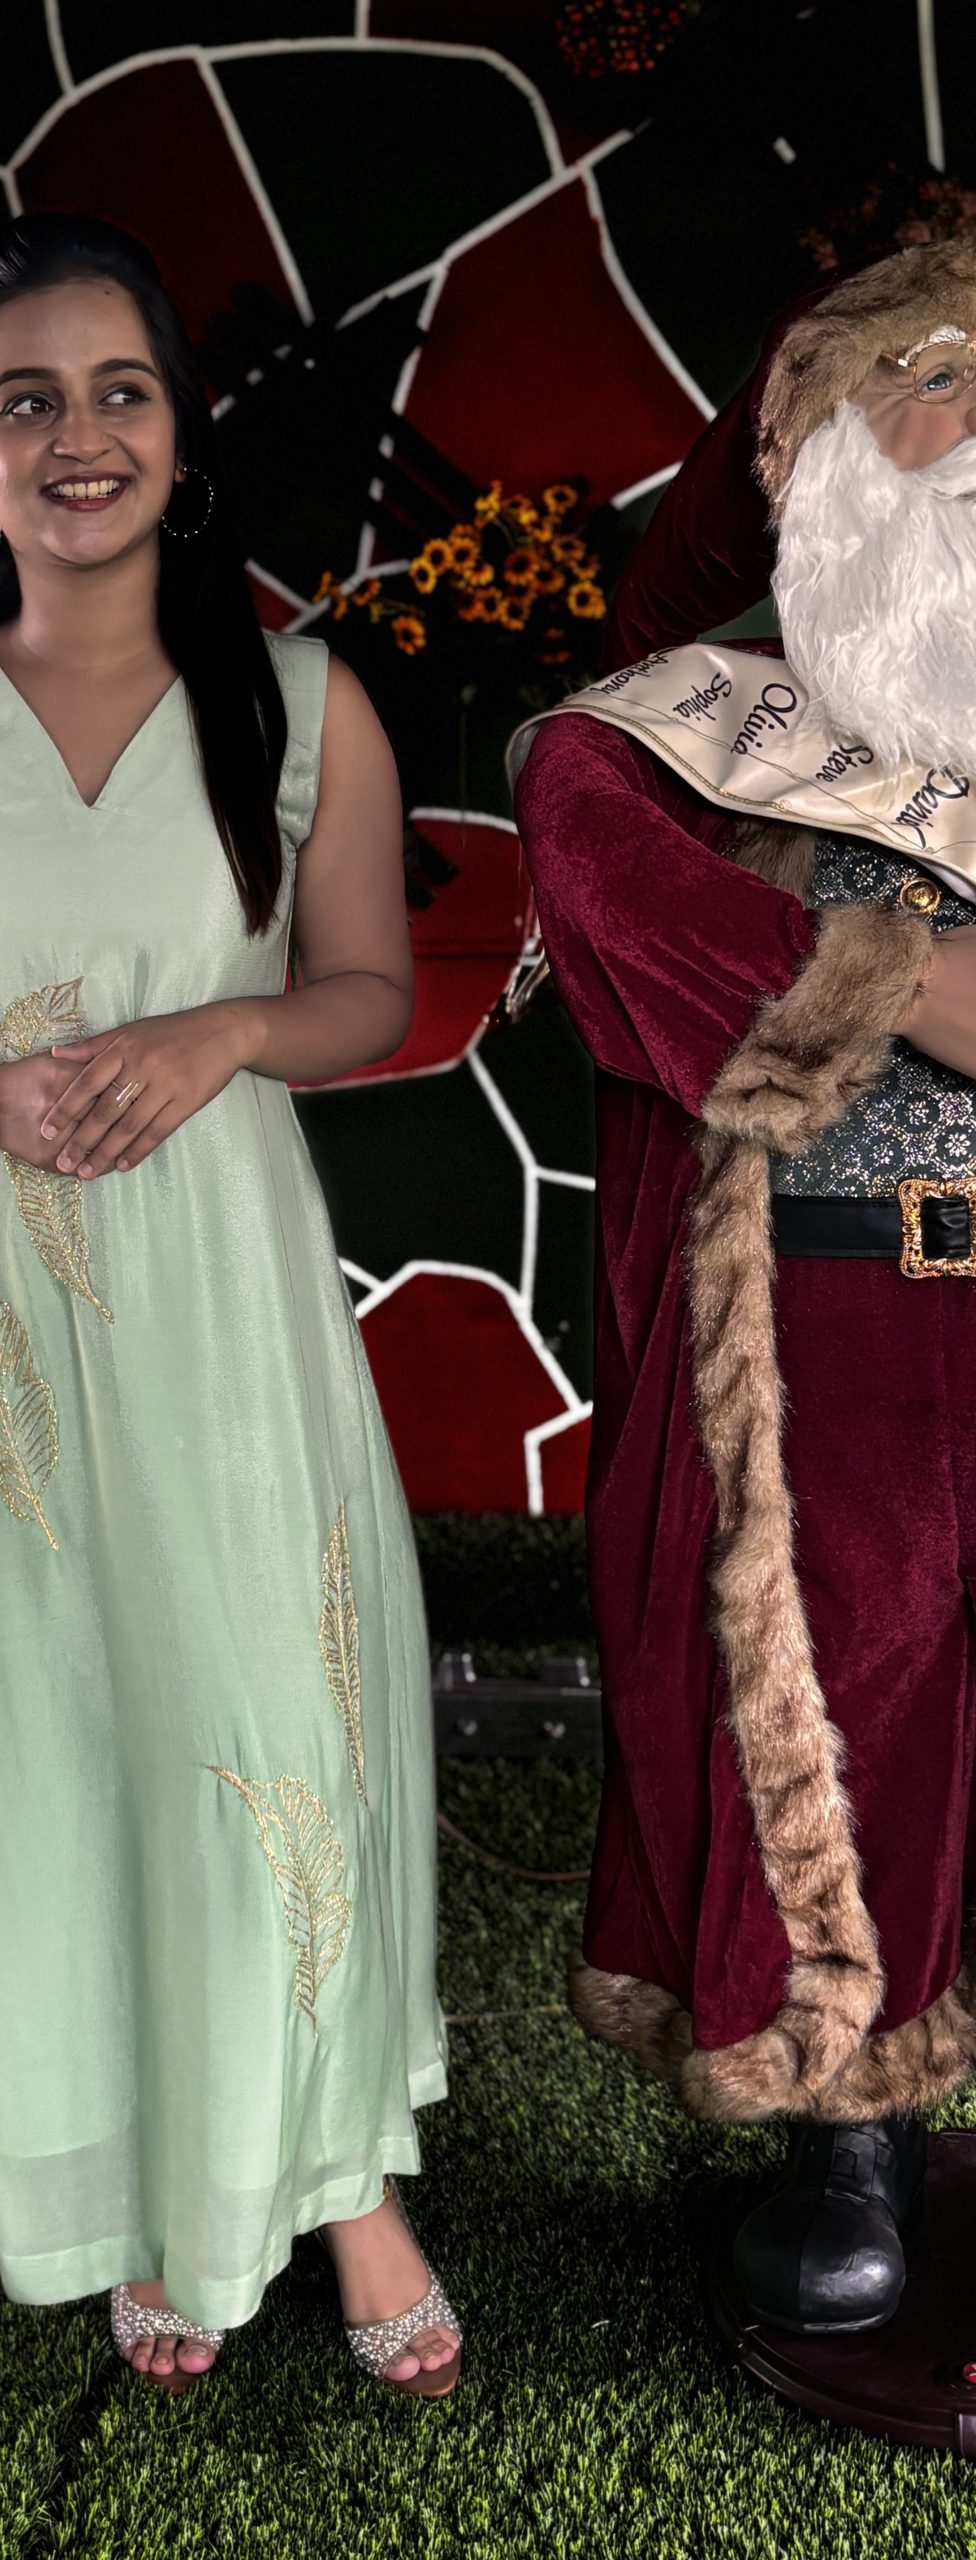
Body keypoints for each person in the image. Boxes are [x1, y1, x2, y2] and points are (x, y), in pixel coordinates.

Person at [0, 213, 460, 2396]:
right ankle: (142, 2183)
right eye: (27, 401)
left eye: (122, 391)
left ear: (180, 432)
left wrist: (222, 1032)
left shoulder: (303, 700)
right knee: (44, 1741)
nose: (81, 436)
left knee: (263, 1719)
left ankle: (337, 2177)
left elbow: (367, 987)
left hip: (215, 1291)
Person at [511, 239, 976, 2337]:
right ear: (806, 450)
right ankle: (847, 2127)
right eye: (927, 382)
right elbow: (622, 907)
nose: (967, 431)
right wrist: (921, 984)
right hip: (830, 1315)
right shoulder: (675, 743)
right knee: (844, 1713)